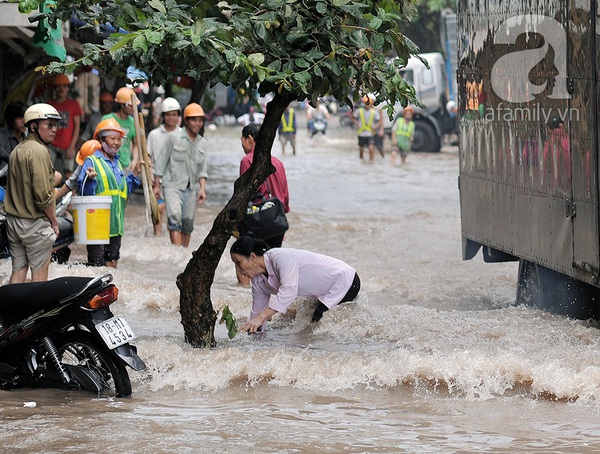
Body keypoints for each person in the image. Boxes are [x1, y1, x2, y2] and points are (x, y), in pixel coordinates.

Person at [231, 235, 361, 333]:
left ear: (253, 257)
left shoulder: (280, 257)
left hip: (345, 281)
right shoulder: (258, 280)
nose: (238, 269)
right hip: (322, 292)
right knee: (308, 324)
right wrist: (252, 340)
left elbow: (288, 291)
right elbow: (257, 316)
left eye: (238, 262)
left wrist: (261, 317)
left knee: (317, 325)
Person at [4, 103, 61, 283]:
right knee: (40, 276)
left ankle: (12, 310)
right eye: (49, 125)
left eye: (55, 125)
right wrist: (54, 222)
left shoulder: (17, 150)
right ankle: (38, 311)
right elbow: (43, 196)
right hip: (34, 225)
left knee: (18, 273)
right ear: (33, 126)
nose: (54, 130)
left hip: (13, 223)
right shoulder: (40, 151)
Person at [77, 118, 142, 267]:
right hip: (96, 223)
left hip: (115, 225)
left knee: (112, 265)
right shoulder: (91, 161)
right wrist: (90, 179)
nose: (117, 142)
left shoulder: (117, 164)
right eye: (113, 138)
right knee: (97, 267)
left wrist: (135, 174)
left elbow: (122, 192)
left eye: (119, 139)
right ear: (101, 139)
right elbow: (82, 193)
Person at [237, 122, 290, 285]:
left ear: (250, 139)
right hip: (276, 220)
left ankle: (243, 294)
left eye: (242, 141)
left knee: (242, 258)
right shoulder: (278, 163)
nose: (243, 146)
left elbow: (245, 193)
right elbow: (285, 197)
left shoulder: (247, 161)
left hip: (258, 220)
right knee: (269, 264)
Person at [153, 102, 208, 247]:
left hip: (191, 188)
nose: (197, 123)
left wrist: (202, 188)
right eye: (194, 119)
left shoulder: (202, 143)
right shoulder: (173, 138)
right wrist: (156, 185)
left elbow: (203, 169)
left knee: (188, 223)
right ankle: (176, 251)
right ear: (186, 121)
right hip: (172, 186)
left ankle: (183, 255)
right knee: (174, 218)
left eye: (200, 120)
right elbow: (161, 162)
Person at [147, 97, 181, 236]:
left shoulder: (182, 135)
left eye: (174, 115)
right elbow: (148, 158)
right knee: (158, 210)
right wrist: (151, 179)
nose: (171, 118)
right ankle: (157, 240)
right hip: (157, 181)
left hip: (177, 182)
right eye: (168, 115)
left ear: (178, 116)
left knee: (175, 216)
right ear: (163, 116)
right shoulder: (154, 135)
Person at [47, 74, 84, 180]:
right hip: (51, 145)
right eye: (58, 86)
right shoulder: (49, 104)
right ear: (54, 88)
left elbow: (77, 126)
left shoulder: (73, 104)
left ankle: (72, 195)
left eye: (64, 86)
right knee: (48, 172)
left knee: (69, 174)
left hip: (67, 145)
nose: (61, 89)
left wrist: (72, 146)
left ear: (68, 88)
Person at [101, 86, 139, 171]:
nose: (133, 108)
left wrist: (134, 160)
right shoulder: (107, 119)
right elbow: (99, 142)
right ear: (122, 105)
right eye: (130, 105)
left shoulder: (134, 122)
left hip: (126, 165)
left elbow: (136, 144)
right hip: (108, 164)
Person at [0, 102, 27, 184]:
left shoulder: (28, 139)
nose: (24, 121)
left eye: (25, 117)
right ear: (11, 119)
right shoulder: (2, 135)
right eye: (20, 118)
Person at [352, 94, 382, 161]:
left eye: (368, 103)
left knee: (371, 149)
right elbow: (353, 118)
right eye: (365, 103)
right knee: (361, 150)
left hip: (370, 134)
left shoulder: (374, 112)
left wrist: (376, 127)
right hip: (361, 134)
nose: (367, 105)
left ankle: (371, 162)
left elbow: (380, 121)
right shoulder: (359, 111)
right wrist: (357, 124)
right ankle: (361, 161)